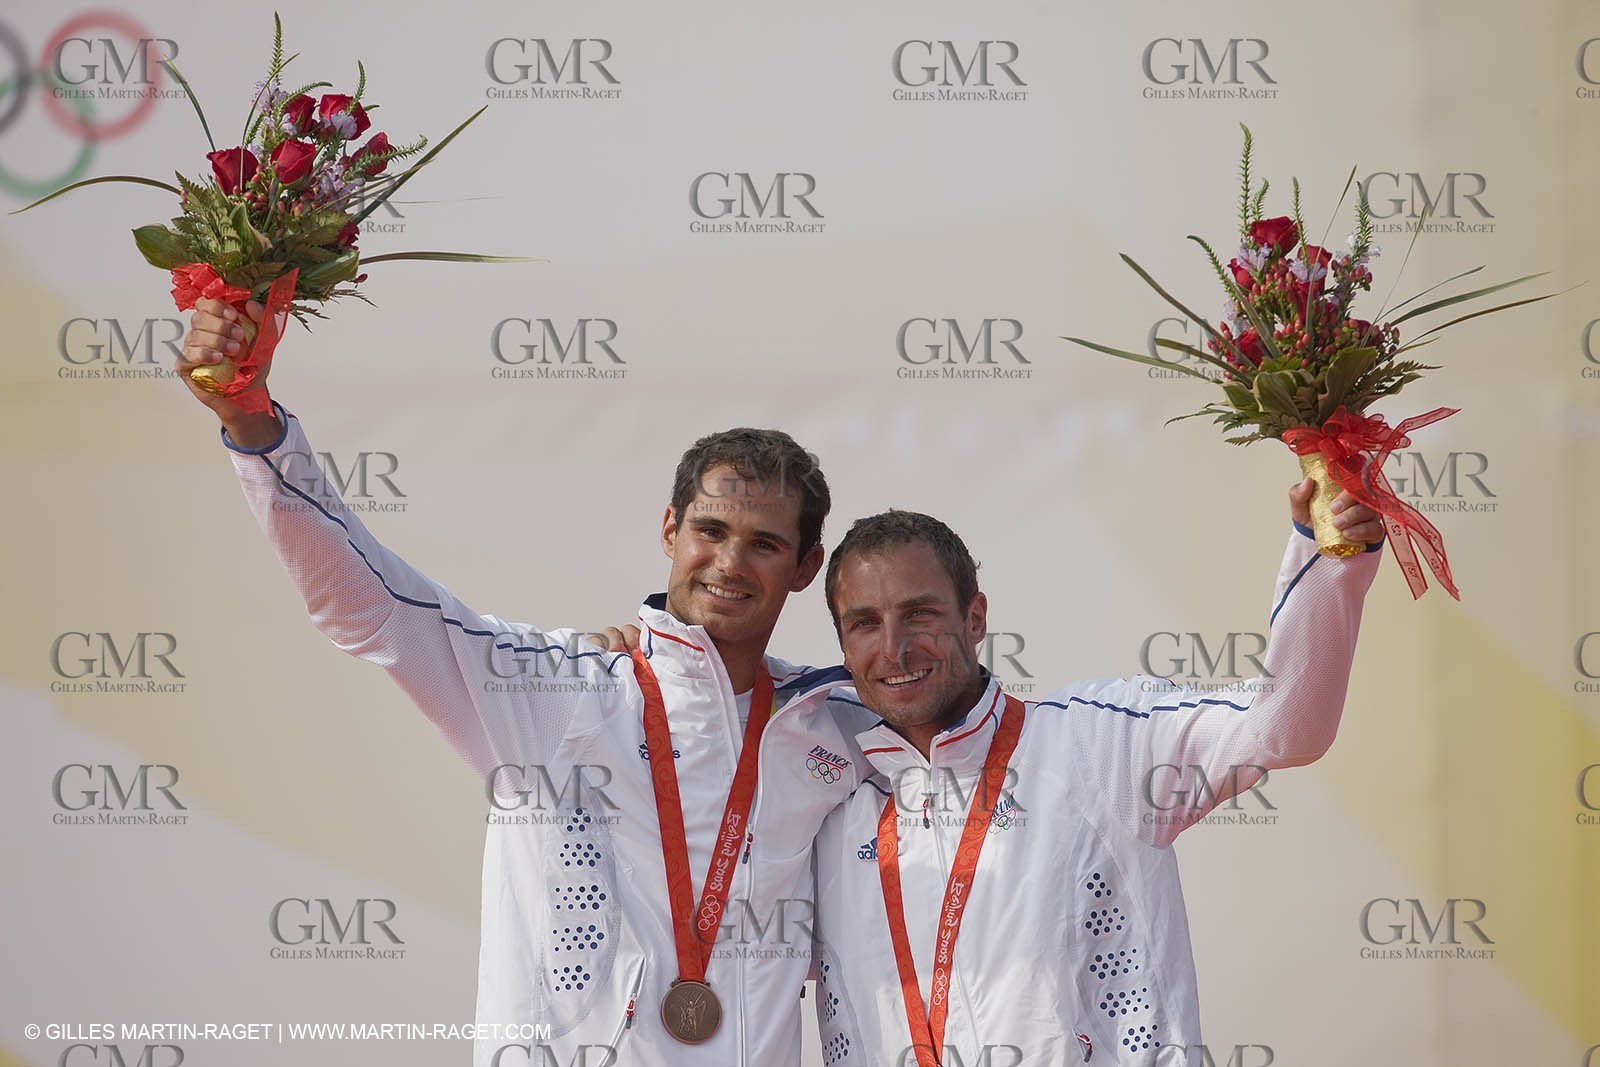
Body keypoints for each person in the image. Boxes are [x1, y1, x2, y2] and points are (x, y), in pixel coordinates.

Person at [177, 299, 875, 1066]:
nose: (731, 563)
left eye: (765, 544)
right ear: (670, 529)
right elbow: (369, 604)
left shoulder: (834, 727)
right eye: (710, 531)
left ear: (805, 568)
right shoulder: (554, 688)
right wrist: (255, 429)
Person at [808, 495, 1383, 1067]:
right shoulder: (825, 793)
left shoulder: (1098, 741)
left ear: (975, 618)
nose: (894, 647)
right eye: (865, 624)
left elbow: (1286, 725)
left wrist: (1332, 559)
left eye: (920, 614)